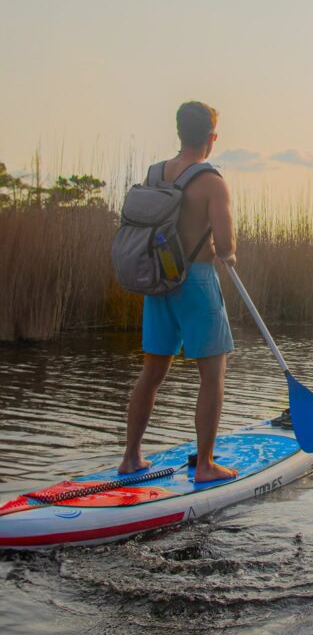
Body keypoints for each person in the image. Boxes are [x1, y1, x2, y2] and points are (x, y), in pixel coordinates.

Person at [118, 101, 238, 482]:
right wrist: (227, 251)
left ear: (179, 132)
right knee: (212, 374)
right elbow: (225, 241)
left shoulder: (156, 175)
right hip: (196, 282)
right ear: (211, 137)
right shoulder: (212, 182)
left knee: (152, 371)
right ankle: (204, 465)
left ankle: (131, 457)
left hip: (156, 283)